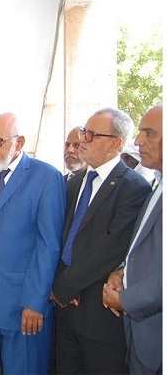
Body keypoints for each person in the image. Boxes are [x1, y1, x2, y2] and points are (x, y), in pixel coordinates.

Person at [0, 112, 66, 374]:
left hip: (22, 302)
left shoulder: (46, 177)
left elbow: (48, 245)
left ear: (19, 142)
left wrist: (35, 301)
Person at [51, 108, 151, 374]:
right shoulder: (73, 184)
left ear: (116, 143)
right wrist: (60, 287)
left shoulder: (133, 187)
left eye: (92, 135)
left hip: (100, 315)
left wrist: (62, 287)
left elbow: (108, 249)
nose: (82, 139)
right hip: (65, 312)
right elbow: (59, 240)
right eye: (84, 132)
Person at [103, 104, 162, 374]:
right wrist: (122, 272)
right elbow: (144, 249)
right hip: (141, 337)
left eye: (149, 133)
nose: (138, 141)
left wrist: (127, 300)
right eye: (140, 132)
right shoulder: (158, 184)